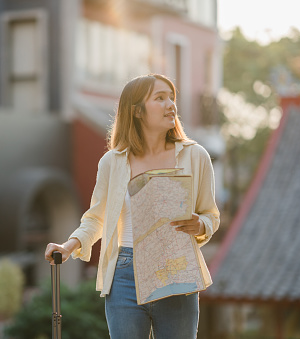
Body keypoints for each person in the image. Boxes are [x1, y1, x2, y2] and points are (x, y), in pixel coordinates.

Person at [45, 74, 220, 338]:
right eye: (160, 98)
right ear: (136, 111)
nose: (171, 104)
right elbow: (97, 218)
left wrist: (200, 224)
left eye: (172, 97)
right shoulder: (112, 162)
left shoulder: (195, 156)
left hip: (175, 269)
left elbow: (211, 216)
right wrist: (69, 246)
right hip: (124, 274)